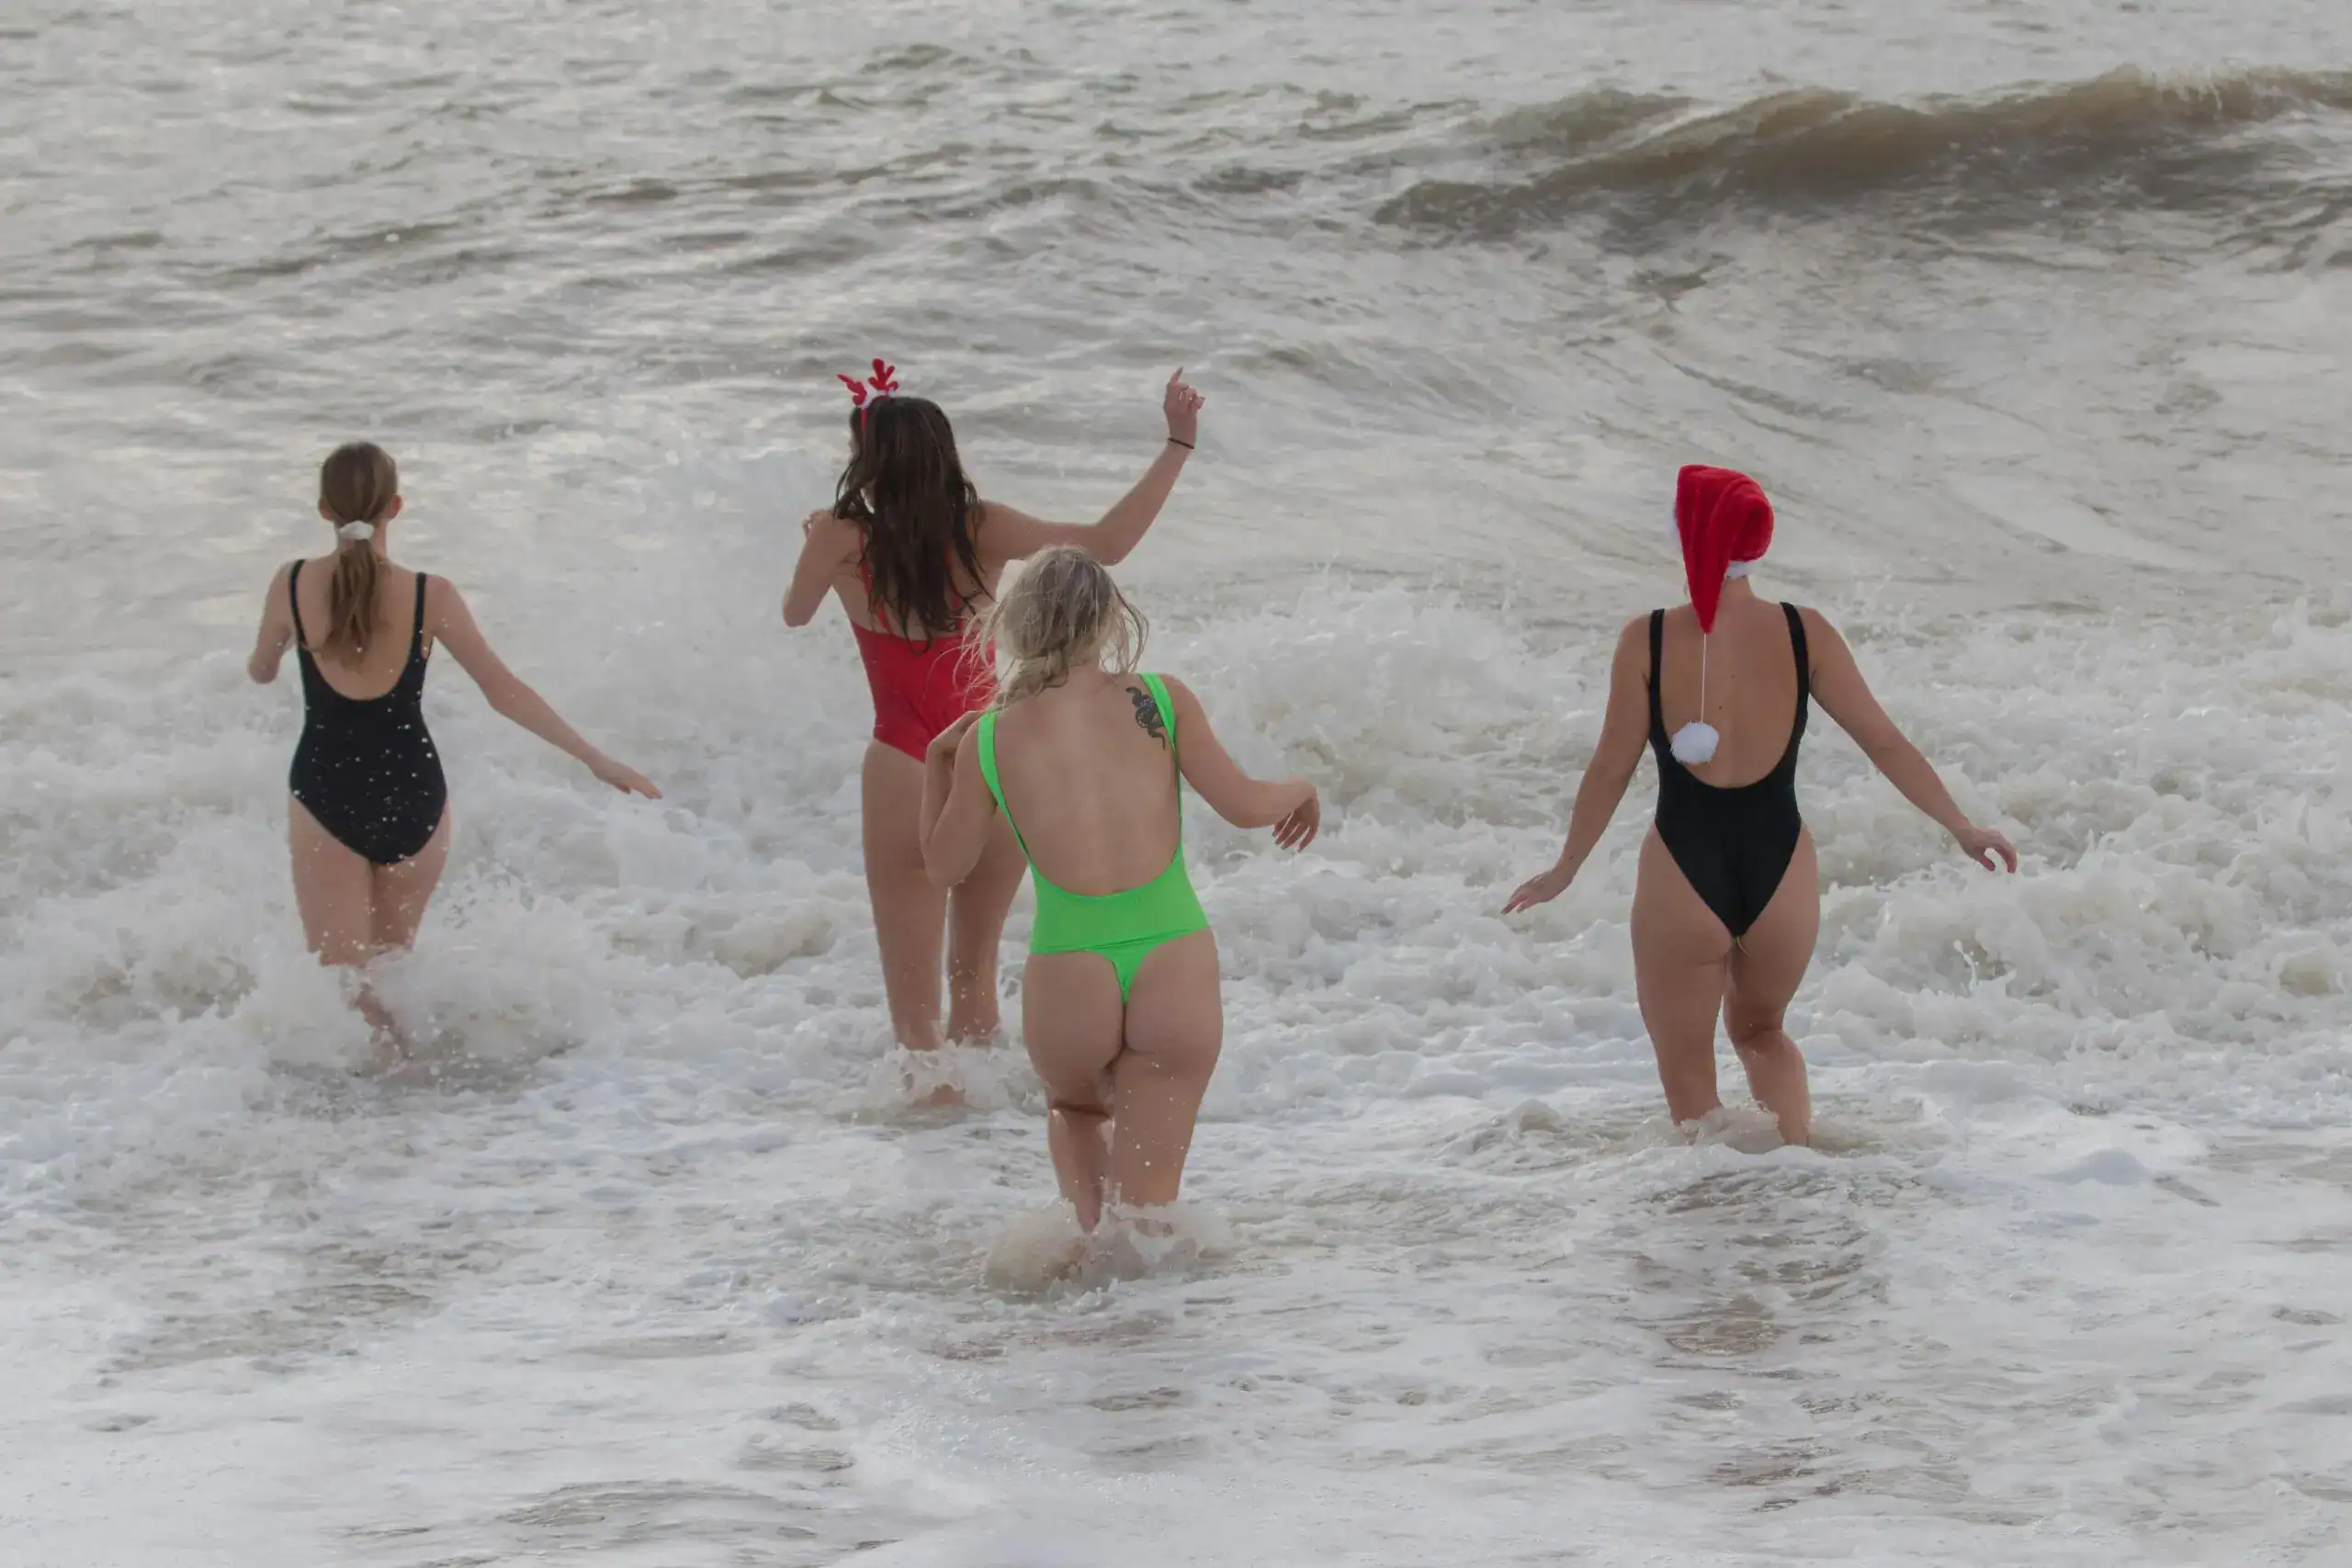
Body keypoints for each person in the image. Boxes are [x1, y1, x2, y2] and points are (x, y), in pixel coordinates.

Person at [1503, 466, 2016, 1145]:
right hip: (1783, 873)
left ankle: (1721, 1228)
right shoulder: (1806, 633)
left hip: (1683, 873)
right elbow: (1884, 741)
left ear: (1688, 536)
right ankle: (1796, 1182)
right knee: (1764, 1035)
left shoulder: (1648, 639)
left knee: (1688, 1074)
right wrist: (1959, 824)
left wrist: (1566, 866)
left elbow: (1609, 769)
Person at [784, 360, 1206, 1056]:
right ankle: (988, 1141)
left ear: (868, 462)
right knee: (974, 979)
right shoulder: (983, 528)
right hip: (992, 755)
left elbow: (795, 614)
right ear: (943, 454)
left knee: (913, 1006)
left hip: (900, 760)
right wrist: (1177, 445)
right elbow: (1107, 545)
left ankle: (933, 1130)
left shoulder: (840, 538)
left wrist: (815, 548)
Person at [917, 547, 1319, 1233]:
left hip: (1070, 972)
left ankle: (1088, 1283)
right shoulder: (1160, 699)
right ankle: (1149, 1316)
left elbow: (942, 866)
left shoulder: (990, 738)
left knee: (1075, 1114)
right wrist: (1302, 787)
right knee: (1152, 1215)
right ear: (1108, 620)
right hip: (1173, 962)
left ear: (1016, 626)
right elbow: (1248, 805)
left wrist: (936, 765)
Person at [247, 442, 660, 1046]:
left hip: (325, 791)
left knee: (345, 989)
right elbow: (503, 689)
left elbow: (260, 670)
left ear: (322, 510)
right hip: (413, 794)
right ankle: (417, 1088)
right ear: (397, 506)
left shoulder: (292, 583)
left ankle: (364, 1118)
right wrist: (595, 758)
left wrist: (278, 649)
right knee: (394, 975)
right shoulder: (428, 595)